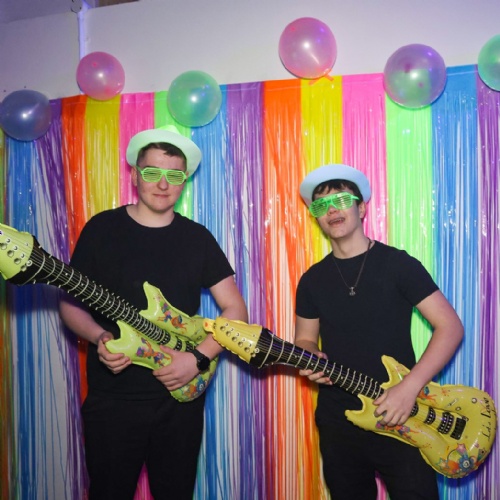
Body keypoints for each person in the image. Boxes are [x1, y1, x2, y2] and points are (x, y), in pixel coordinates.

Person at [59, 126, 248, 500]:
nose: (163, 184)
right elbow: (69, 303)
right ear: (134, 175)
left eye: (174, 175)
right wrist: (99, 336)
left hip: (180, 399)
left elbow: (236, 309)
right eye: (152, 172)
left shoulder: (197, 238)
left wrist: (198, 358)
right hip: (112, 400)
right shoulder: (102, 229)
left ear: (184, 181)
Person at [294, 164, 464, 499]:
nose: (332, 210)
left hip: (402, 413)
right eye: (321, 205)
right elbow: (304, 338)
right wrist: (309, 353)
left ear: (361, 208)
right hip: (339, 421)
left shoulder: (399, 264)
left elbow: (451, 327)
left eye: (341, 200)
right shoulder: (312, 280)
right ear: (316, 217)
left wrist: (409, 388)